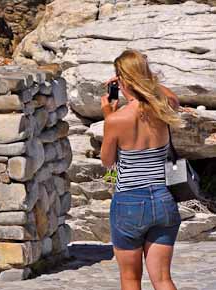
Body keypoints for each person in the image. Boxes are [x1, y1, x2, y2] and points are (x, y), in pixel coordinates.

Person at [100, 49, 182, 290]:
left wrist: (108, 116)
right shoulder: (163, 108)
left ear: (121, 79)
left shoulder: (116, 120)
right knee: (163, 279)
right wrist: (146, 80)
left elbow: (107, 162)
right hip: (164, 198)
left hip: (129, 202)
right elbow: (171, 97)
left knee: (130, 279)